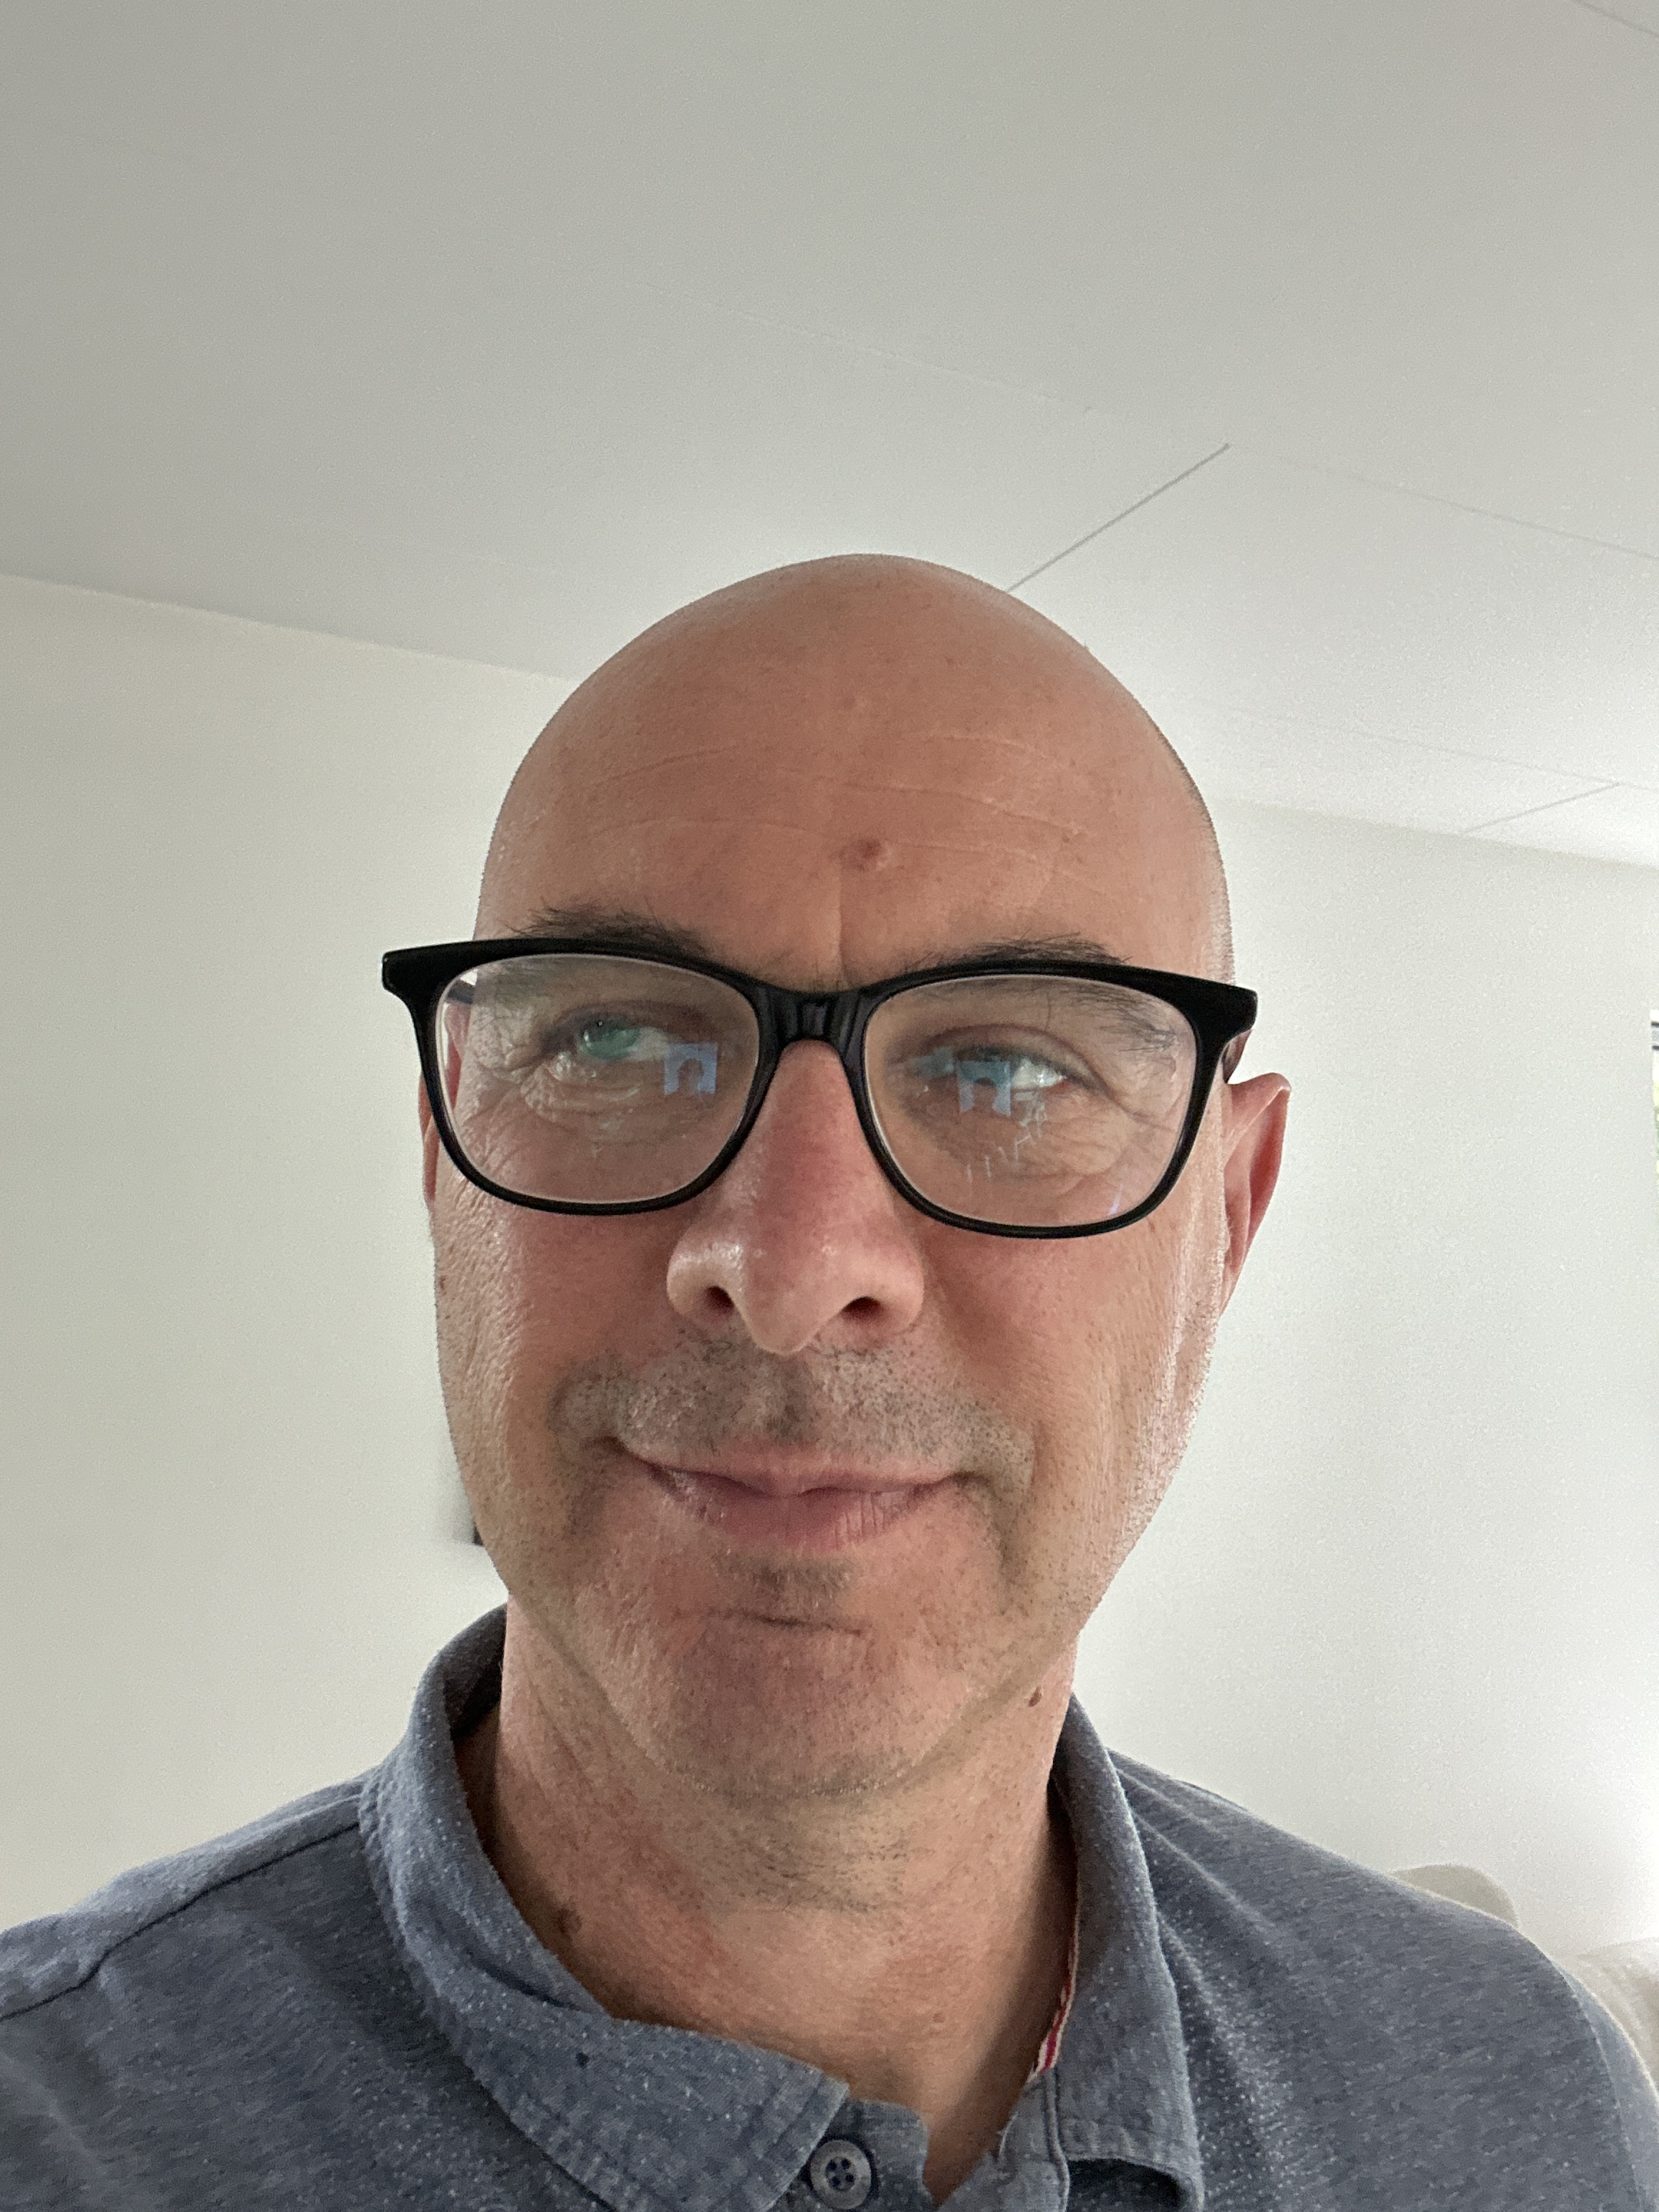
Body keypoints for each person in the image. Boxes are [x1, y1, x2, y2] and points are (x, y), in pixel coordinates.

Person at [2, 557, 1654, 2211]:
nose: (791, 1270)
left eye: (1008, 1069)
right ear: (445, 1157)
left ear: (1227, 1210)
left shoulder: (1525, 2103)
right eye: (612, 1045)